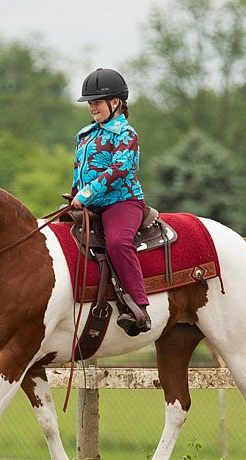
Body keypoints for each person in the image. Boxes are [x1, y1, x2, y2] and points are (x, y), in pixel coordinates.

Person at [70, 68, 151, 335]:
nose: (92, 108)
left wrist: (85, 195)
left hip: (122, 202)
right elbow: (78, 170)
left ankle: (138, 306)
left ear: (115, 103)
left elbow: (119, 170)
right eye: (90, 103)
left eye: (96, 102)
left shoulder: (126, 135)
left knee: (117, 241)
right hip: (88, 202)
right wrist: (74, 195)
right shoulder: (86, 134)